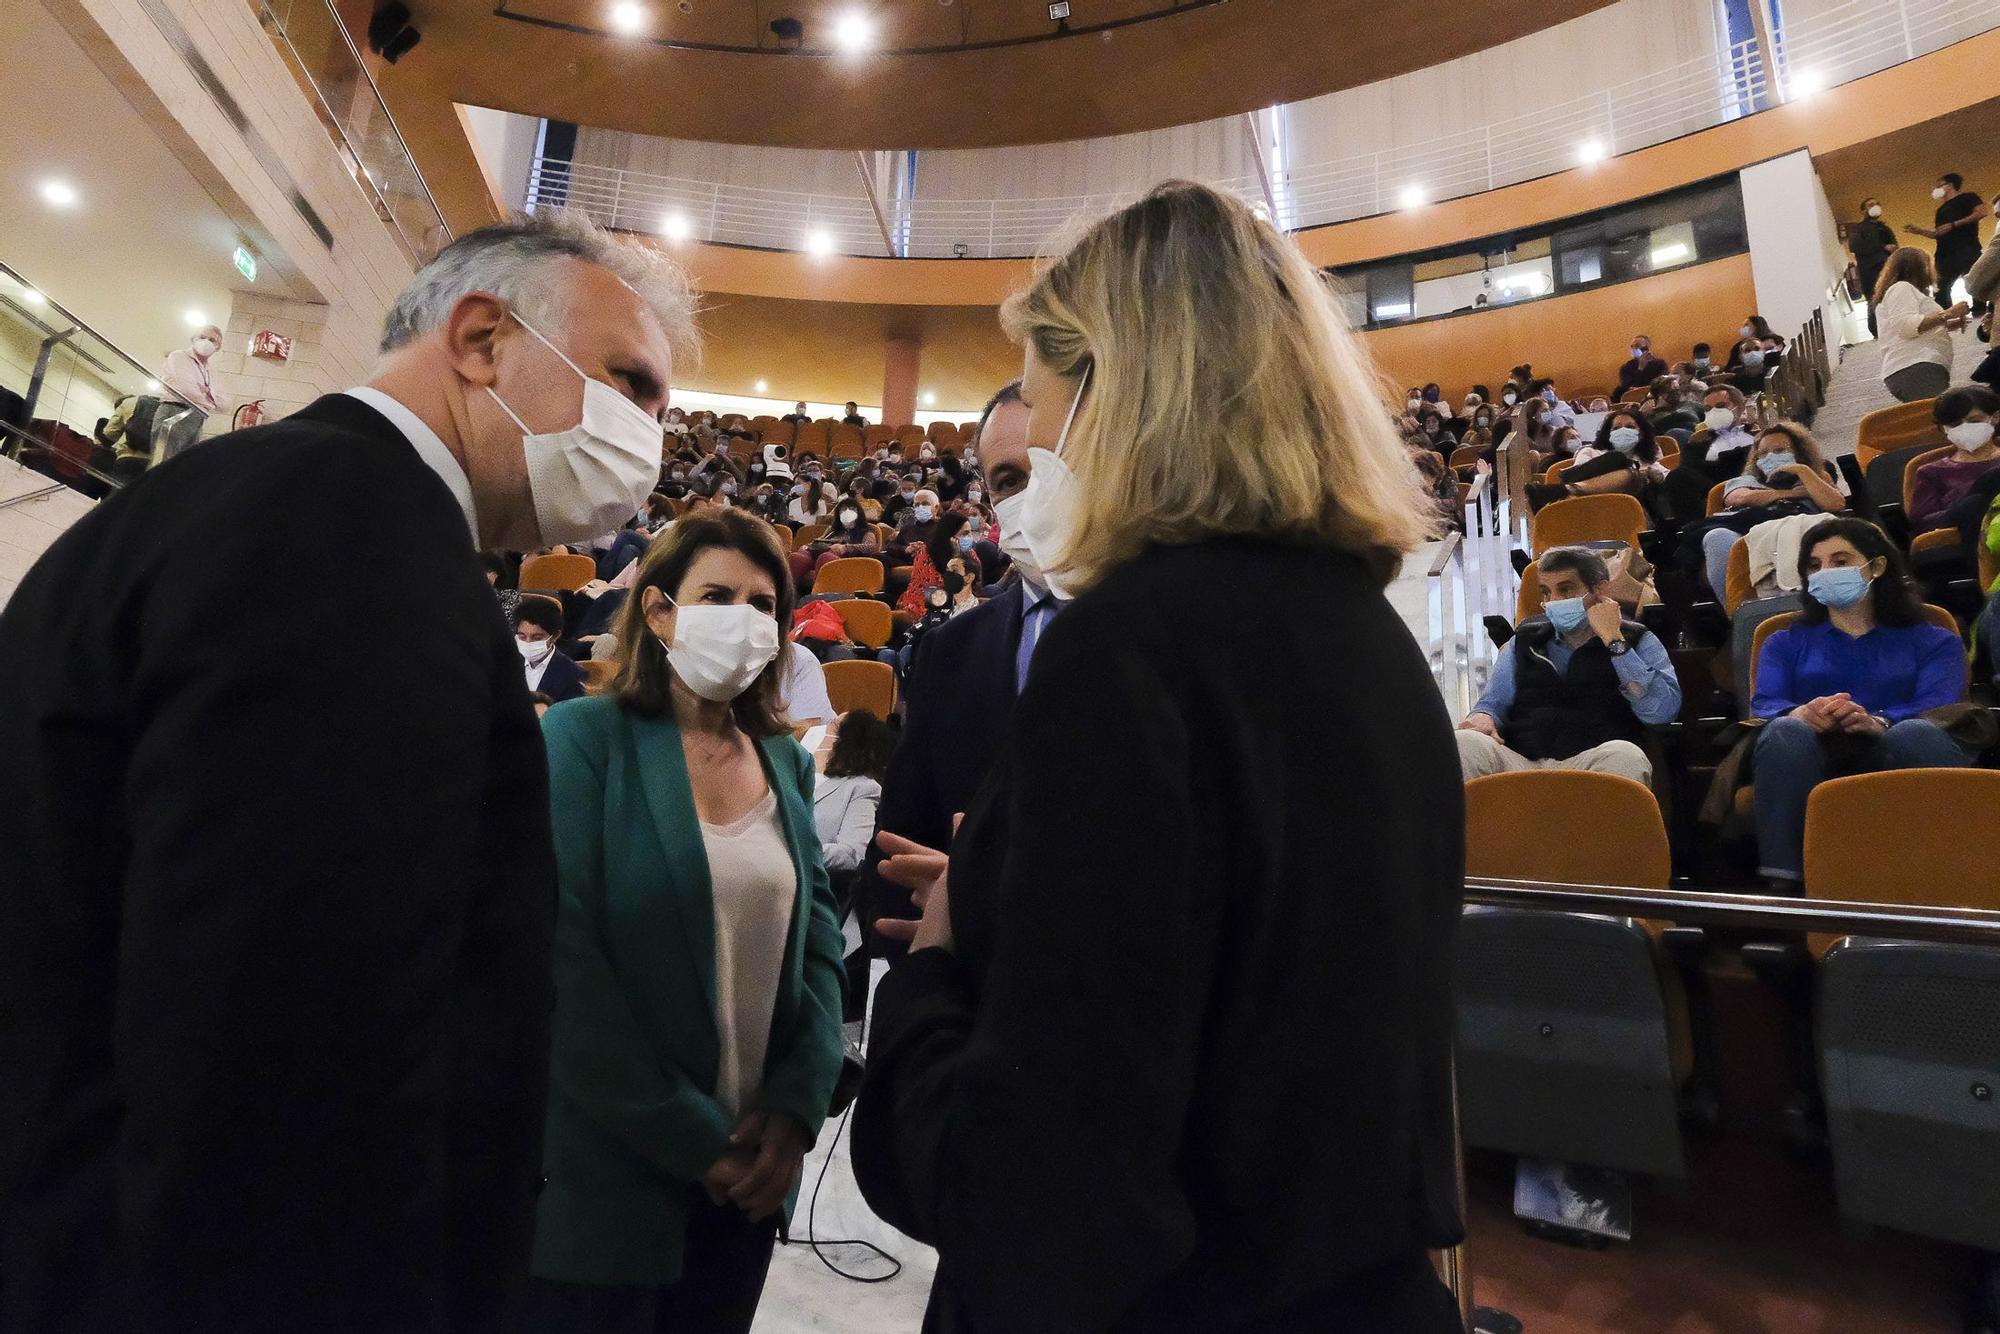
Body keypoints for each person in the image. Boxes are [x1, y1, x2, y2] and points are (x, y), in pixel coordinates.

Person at [0, 207, 690, 1328]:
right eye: (630, 382)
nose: (652, 433)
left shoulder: (257, 494)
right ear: (480, 340)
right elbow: (281, 1063)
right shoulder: (350, 522)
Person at [851, 181, 1463, 1331]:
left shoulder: (1129, 644)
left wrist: (935, 975)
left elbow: (1032, 1186)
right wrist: (1013, 901)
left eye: (1034, 402)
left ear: (1114, 387)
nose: (1029, 448)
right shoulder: (1369, 639)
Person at [530, 510, 844, 1332]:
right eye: (718, 595)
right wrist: (695, 1137)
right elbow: (563, 964)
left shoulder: (784, 761)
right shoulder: (582, 737)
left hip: (747, 1180)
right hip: (614, 1167)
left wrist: (793, 1109)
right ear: (660, 611)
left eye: (764, 603)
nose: (745, 619)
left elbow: (817, 949)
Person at [857, 381, 1050, 957]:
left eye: (1049, 466)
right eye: (1009, 480)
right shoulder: (953, 649)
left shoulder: (1191, 640)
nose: (1036, 495)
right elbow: (901, 840)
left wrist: (986, 902)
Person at [1750, 517, 1972, 888]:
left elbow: (1940, 705)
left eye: (1840, 562)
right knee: (1785, 730)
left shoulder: (1934, 640)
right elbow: (1767, 702)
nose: (1825, 572)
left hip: (1899, 747)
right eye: (1815, 566)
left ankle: (1948, 879)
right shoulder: (1783, 641)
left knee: (1916, 732)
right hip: (1815, 752)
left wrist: (1880, 720)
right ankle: (1786, 888)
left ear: (1878, 566)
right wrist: (1803, 712)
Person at [1456, 547, 1681, 785]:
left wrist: (1614, 641)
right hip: (1521, 763)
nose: (1553, 601)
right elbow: (1492, 704)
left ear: (1599, 589)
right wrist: (1482, 717)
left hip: (1594, 762)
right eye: (1546, 592)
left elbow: (1662, 713)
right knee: (1464, 743)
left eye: (1566, 590)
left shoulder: (1637, 639)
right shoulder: (1523, 641)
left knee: (1627, 756)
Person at [1693, 421, 1846, 596]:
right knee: (1717, 536)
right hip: (1753, 537)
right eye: (1763, 454)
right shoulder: (1746, 481)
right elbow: (1740, 497)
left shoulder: (1814, 477)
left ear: (1799, 453)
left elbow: (1836, 504)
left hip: (1806, 534)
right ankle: (1741, 614)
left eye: (1780, 451)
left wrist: (1802, 470)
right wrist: (1792, 494)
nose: (1771, 457)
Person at [1874, 246, 1968, 403]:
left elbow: (1919, 326)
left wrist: (1952, 323)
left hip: (1919, 367)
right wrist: (1948, 313)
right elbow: (1906, 327)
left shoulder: (1905, 291)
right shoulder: (1901, 288)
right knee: (1941, 419)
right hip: (1915, 366)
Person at [1524, 408, 1664, 511]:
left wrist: (1656, 475)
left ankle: (1565, 490)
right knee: (1620, 461)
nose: (1623, 431)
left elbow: (1668, 478)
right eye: (1616, 428)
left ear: (1640, 434)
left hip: (1632, 511)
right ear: (1608, 434)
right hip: (1590, 506)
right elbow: (1582, 476)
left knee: (1633, 472)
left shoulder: (1649, 462)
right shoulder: (1590, 452)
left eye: (1630, 427)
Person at [813, 708, 894, 876]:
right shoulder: (801, 775)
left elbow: (853, 853)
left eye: (834, 730)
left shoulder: (863, 788)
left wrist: (797, 853)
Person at [1910, 384, 2000, 533]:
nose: (1965, 428)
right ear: (1943, 428)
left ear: (1995, 417)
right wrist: (1964, 509)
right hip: (1960, 542)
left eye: (1974, 421)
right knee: (1973, 503)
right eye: (1955, 424)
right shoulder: (1931, 472)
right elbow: (1922, 523)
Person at [1904, 172, 1990, 303]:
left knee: (1974, 284)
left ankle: (1980, 315)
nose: (1936, 189)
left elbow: (1982, 212)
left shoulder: (1968, 197)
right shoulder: (1940, 210)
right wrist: (1919, 231)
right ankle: (1946, 318)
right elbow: (1938, 233)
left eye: (1939, 186)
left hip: (1967, 249)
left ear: (1949, 186)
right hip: (1944, 255)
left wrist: (1954, 224)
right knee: (1940, 290)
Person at [518, 594, 587, 702]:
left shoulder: (573, 675)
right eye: (522, 636)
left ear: (555, 636)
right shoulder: (504, 664)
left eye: (537, 638)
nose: (528, 642)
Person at [1849, 196, 1897, 336]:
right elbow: (1855, 246)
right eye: (1870, 205)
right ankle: (1876, 333)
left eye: (1877, 204)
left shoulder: (1885, 228)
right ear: (1864, 210)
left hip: (1889, 270)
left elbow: (1895, 247)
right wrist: (1883, 247)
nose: (1875, 206)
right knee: (1874, 302)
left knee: (1893, 299)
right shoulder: (1858, 229)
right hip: (1870, 272)